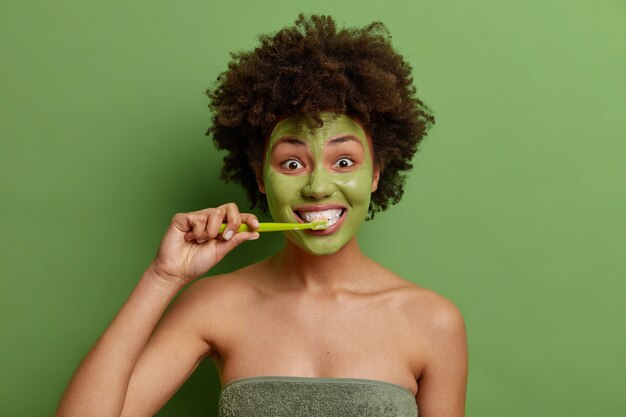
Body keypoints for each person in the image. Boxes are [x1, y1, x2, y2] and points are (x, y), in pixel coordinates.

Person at [56, 14, 467, 417]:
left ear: (375, 174)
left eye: (344, 161)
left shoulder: (432, 321)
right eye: (292, 163)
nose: (318, 186)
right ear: (260, 176)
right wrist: (162, 278)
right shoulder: (215, 304)